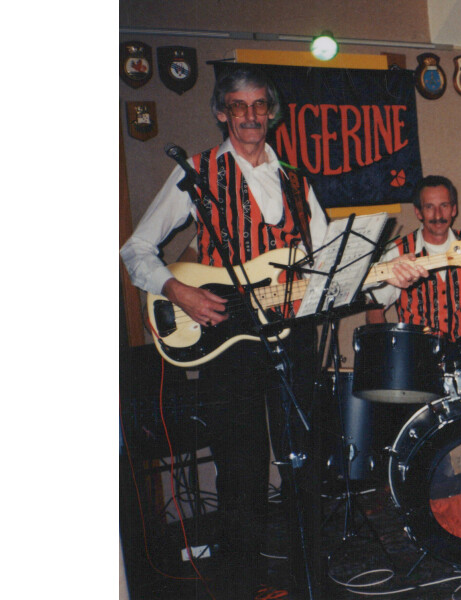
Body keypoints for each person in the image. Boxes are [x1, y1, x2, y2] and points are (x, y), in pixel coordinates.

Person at [121, 66, 329, 599]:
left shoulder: (297, 180)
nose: (252, 116)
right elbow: (136, 250)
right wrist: (180, 292)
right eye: (239, 106)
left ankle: (311, 584)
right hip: (227, 343)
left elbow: (326, 262)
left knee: (304, 468)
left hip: (291, 338)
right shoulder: (195, 172)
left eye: (260, 105)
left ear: (272, 111)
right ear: (221, 112)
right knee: (240, 476)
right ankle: (241, 588)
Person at [365, 175, 461, 341]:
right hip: (415, 356)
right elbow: (375, 311)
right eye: (429, 207)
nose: (438, 214)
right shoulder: (397, 252)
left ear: (454, 209)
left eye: (444, 206)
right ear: (418, 212)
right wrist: (387, 349)